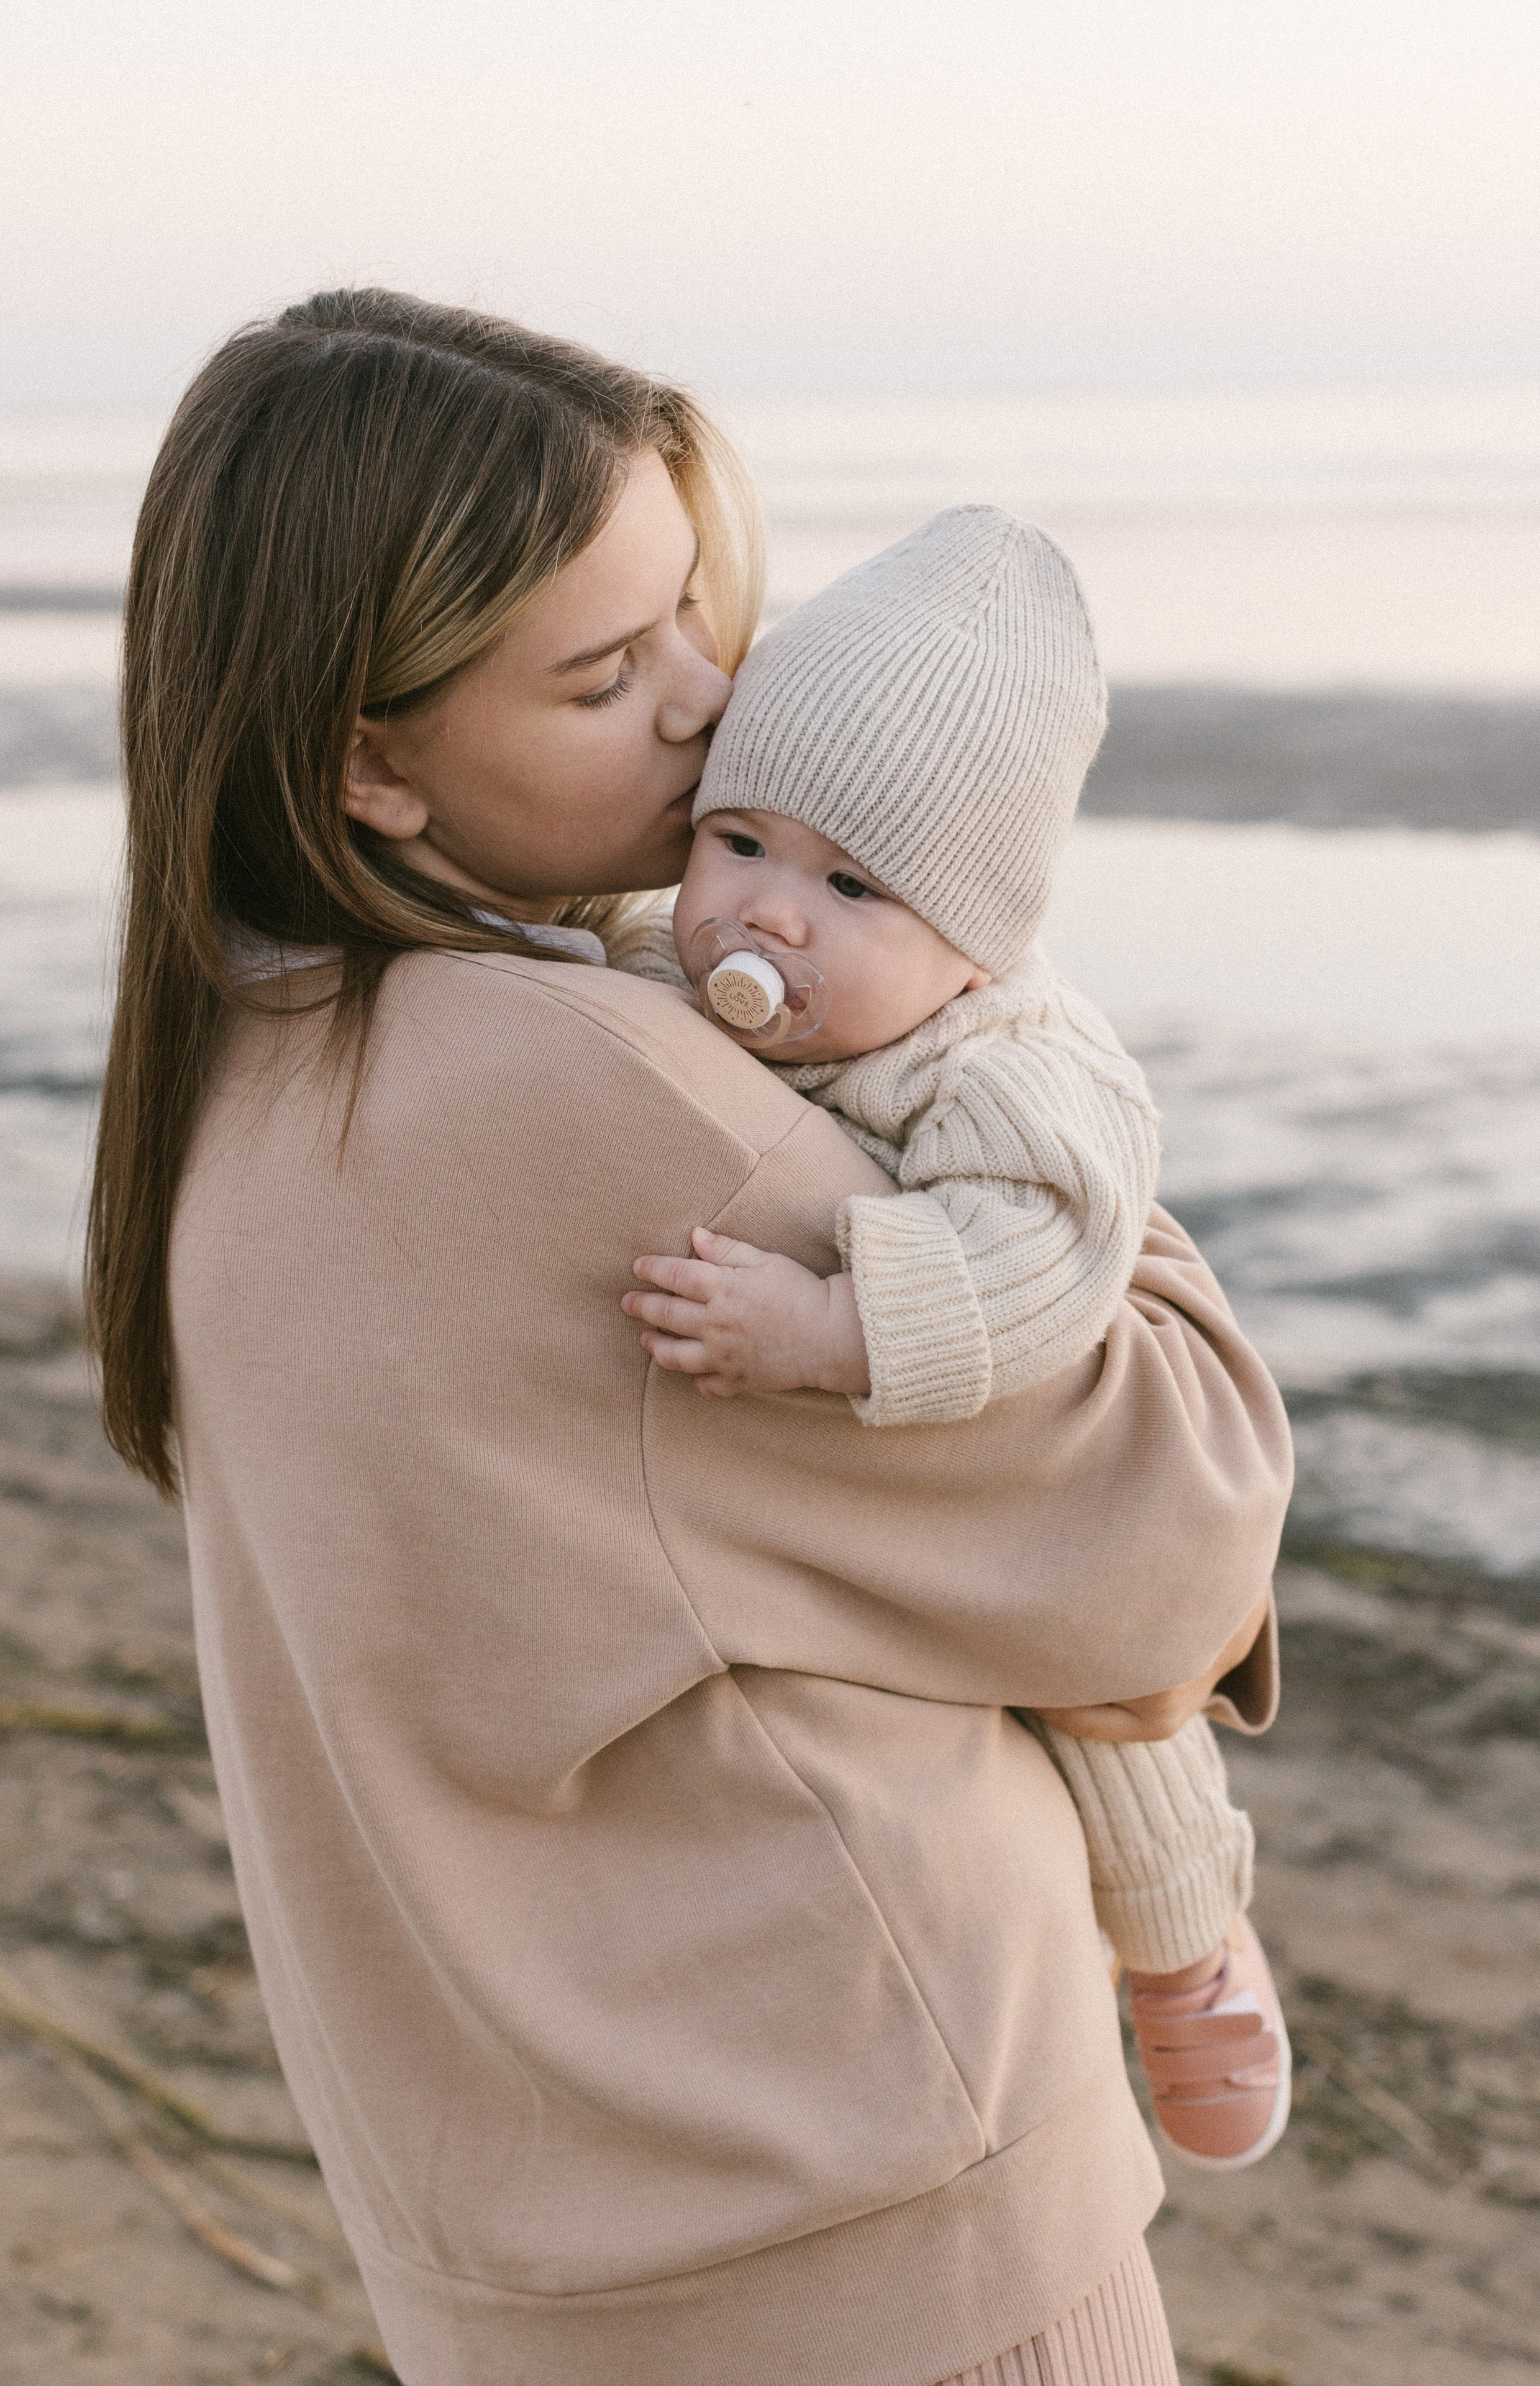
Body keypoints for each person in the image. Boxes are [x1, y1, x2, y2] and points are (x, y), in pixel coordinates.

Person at [88, 288, 1292, 2386]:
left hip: (535, 2239)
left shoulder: (229, 1074)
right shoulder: (573, 1086)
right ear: (368, 761)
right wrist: (992, 1057)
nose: (711, 704)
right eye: (606, 670)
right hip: (864, 2214)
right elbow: (1171, 1524)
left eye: (697, 622)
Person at [613, 505, 1290, 2172]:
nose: (767, 917)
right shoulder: (693, 954)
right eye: (740, 845)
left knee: (1116, 1721)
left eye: (851, 886)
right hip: (893, 1524)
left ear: (975, 939)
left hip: (1003, 1405)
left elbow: (1046, 1254)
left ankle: (1193, 1953)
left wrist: (838, 1326)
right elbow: (611, 966)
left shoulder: (1008, 1069)